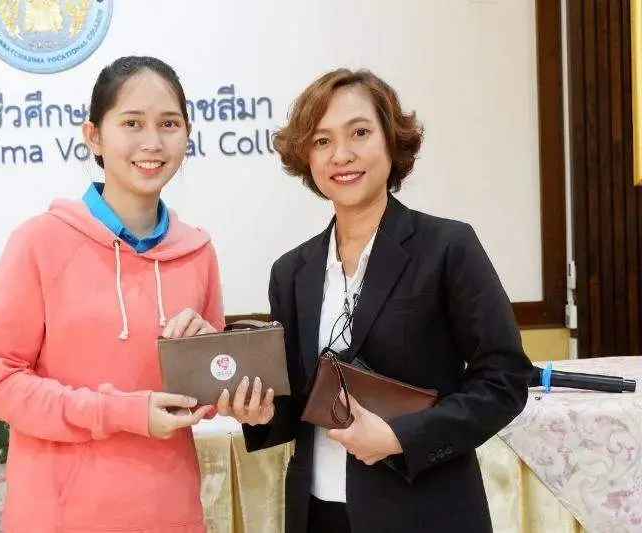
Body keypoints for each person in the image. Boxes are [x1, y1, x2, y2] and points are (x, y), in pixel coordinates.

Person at [217, 68, 533, 533]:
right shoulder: (291, 271)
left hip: (423, 513)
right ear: (306, 157)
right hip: (317, 513)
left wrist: (400, 437)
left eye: (359, 133)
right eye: (322, 141)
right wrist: (261, 413)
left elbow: (505, 379)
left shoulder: (448, 247)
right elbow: (294, 403)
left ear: (390, 140)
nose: (341, 154)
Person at [0, 56, 224, 533]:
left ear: (187, 135)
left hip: (169, 510)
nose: (152, 142)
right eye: (132, 123)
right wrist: (123, 412)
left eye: (169, 124)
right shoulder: (41, 242)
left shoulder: (197, 251)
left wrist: (224, 381)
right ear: (94, 136)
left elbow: (204, 395)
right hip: (61, 515)